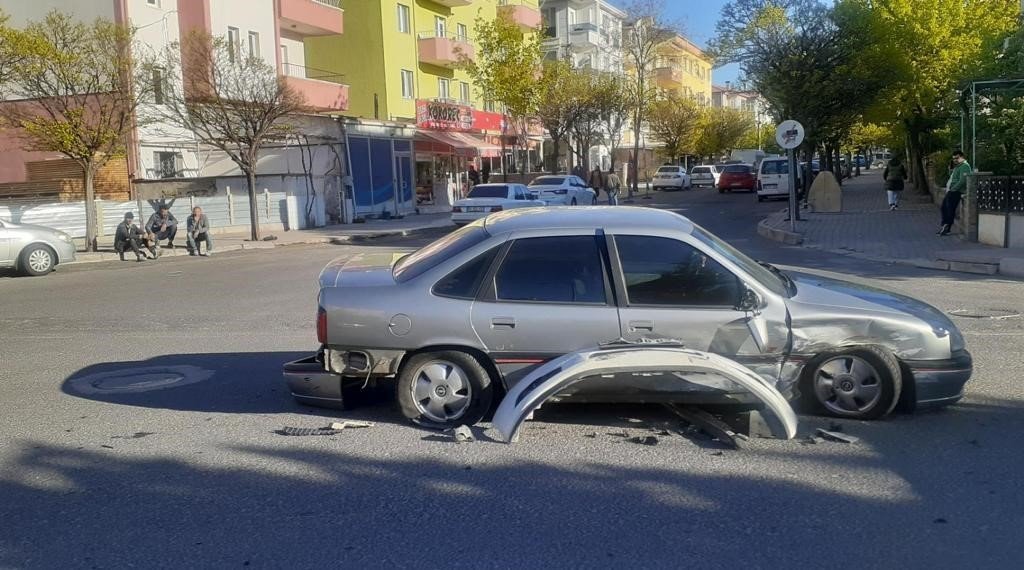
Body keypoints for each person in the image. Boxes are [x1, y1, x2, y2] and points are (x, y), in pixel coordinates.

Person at [939, 150, 971, 236]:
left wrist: (953, 188)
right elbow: (954, 177)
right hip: (951, 190)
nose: (955, 160)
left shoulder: (965, 166)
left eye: (957, 158)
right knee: (944, 207)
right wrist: (950, 170)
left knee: (950, 209)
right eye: (953, 158)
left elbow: (963, 180)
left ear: (962, 157)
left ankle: (947, 228)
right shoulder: (958, 166)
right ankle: (945, 226)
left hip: (956, 191)